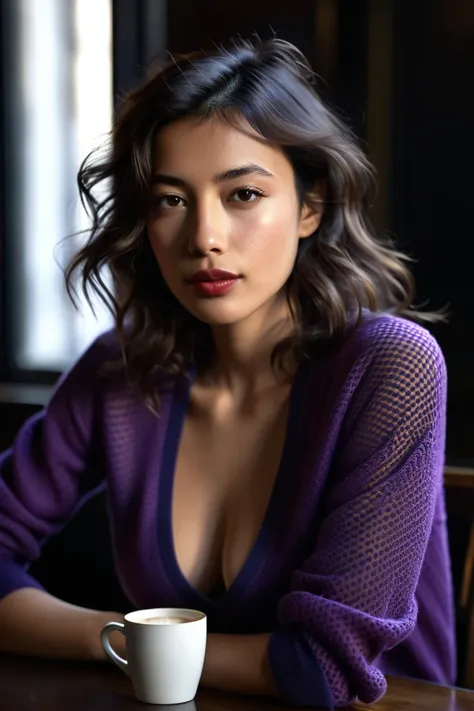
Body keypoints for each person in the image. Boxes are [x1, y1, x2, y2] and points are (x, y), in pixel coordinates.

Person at [0, 36, 455, 708]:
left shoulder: (390, 366)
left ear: (310, 206)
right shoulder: (122, 372)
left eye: (242, 193)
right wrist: (119, 634)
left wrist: (145, 646)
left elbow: (321, 669)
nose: (205, 236)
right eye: (170, 200)